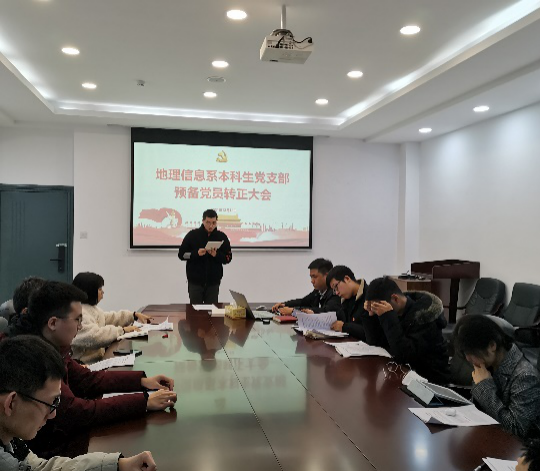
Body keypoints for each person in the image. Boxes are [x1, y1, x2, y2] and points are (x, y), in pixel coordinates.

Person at [8, 281, 177, 458]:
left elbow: (86, 379)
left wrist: (141, 381)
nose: (80, 327)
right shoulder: (33, 355)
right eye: (77, 320)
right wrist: (144, 402)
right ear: (53, 323)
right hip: (46, 454)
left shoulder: (52, 344)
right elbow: (76, 413)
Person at [0, 335, 157, 471]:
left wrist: (118, 465)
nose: (53, 414)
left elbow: (37, 467)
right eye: (50, 404)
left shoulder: (11, 438)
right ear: (11, 403)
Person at [454, 315, 540, 438]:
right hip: (488, 434)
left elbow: (517, 428)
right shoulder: (488, 364)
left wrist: (483, 386)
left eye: (471, 352)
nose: (468, 358)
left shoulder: (525, 377)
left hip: (517, 445)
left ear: (492, 346)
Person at [362, 276, 449, 384]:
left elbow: (405, 355)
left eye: (377, 307)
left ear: (395, 299)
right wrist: (369, 315)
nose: (375, 312)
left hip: (430, 379)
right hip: (404, 374)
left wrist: (388, 317)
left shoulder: (424, 317)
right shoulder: (393, 311)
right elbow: (375, 343)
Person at [71, 272, 152, 363]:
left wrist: (132, 315)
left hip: (97, 361)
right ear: (89, 291)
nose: (103, 292)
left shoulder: (92, 309)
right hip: (84, 364)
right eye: (100, 289)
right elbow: (94, 336)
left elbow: (109, 318)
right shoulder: (80, 313)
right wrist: (122, 330)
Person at [177, 209, 232, 304]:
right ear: (203, 221)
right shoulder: (192, 235)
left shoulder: (221, 237)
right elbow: (181, 254)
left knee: (211, 311)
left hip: (213, 283)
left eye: (213, 223)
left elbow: (228, 258)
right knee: (195, 311)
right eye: (208, 222)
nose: (211, 226)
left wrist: (216, 255)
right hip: (195, 282)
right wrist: (196, 254)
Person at [272, 258, 341, 315]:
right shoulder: (317, 292)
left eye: (314, 277)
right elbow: (303, 302)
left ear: (326, 275)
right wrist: (284, 304)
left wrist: (294, 311)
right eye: (311, 277)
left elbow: (325, 311)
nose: (312, 281)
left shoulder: (336, 292)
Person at [326, 265, 368, 340]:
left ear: (347, 279)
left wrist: (344, 327)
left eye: (336, 287)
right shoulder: (346, 299)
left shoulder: (370, 296)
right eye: (334, 290)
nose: (337, 292)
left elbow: (371, 333)